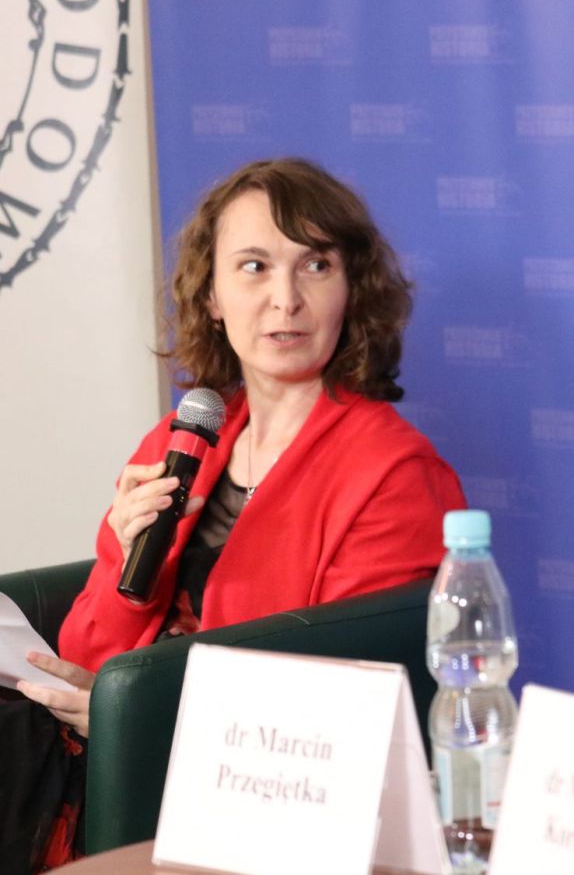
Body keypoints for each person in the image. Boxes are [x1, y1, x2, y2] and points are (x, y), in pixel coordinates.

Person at [5, 158, 466, 870]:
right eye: (254, 267)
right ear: (212, 295)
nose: (285, 299)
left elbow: (340, 713)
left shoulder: (393, 473)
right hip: (97, 764)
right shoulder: (180, 441)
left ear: (351, 289)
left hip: (259, 803)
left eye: (315, 266)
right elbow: (85, 657)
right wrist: (129, 566)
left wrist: (136, 721)